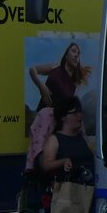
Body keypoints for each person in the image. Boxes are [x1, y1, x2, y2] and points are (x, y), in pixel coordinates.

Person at [26, 41, 92, 171]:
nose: (76, 55)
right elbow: (32, 70)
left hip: (57, 120)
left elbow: (72, 105)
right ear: (66, 55)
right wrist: (41, 87)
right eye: (73, 51)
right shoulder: (55, 68)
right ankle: (30, 174)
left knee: (52, 151)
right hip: (43, 115)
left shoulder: (74, 84)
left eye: (78, 54)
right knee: (38, 149)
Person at [40, 96, 95, 213]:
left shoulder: (81, 138)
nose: (79, 116)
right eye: (74, 113)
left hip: (88, 177)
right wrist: (63, 161)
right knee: (93, 194)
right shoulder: (55, 139)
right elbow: (46, 164)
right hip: (72, 182)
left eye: (80, 112)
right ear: (63, 117)